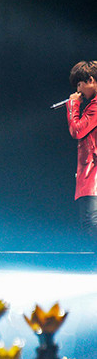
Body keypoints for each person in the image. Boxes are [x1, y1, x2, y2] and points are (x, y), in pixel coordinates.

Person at [67, 61, 97, 252]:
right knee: (89, 221)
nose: (78, 90)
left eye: (79, 84)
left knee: (90, 221)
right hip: (90, 169)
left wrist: (73, 104)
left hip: (93, 171)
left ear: (91, 80)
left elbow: (77, 130)